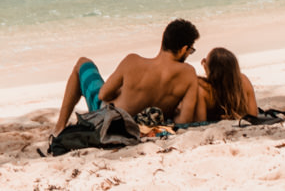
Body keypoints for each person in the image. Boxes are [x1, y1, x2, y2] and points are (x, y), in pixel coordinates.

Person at [53, 18, 201, 133]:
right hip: (146, 127)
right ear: (183, 49)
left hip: (113, 123)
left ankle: (59, 128)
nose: (189, 54)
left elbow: (103, 94)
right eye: (191, 50)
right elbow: (184, 120)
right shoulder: (188, 74)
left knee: (82, 63)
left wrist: (125, 92)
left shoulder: (133, 62)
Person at [190, 46, 257, 122]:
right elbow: (253, 114)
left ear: (211, 70)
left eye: (205, 61)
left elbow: (200, 122)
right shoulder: (243, 80)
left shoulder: (204, 91)